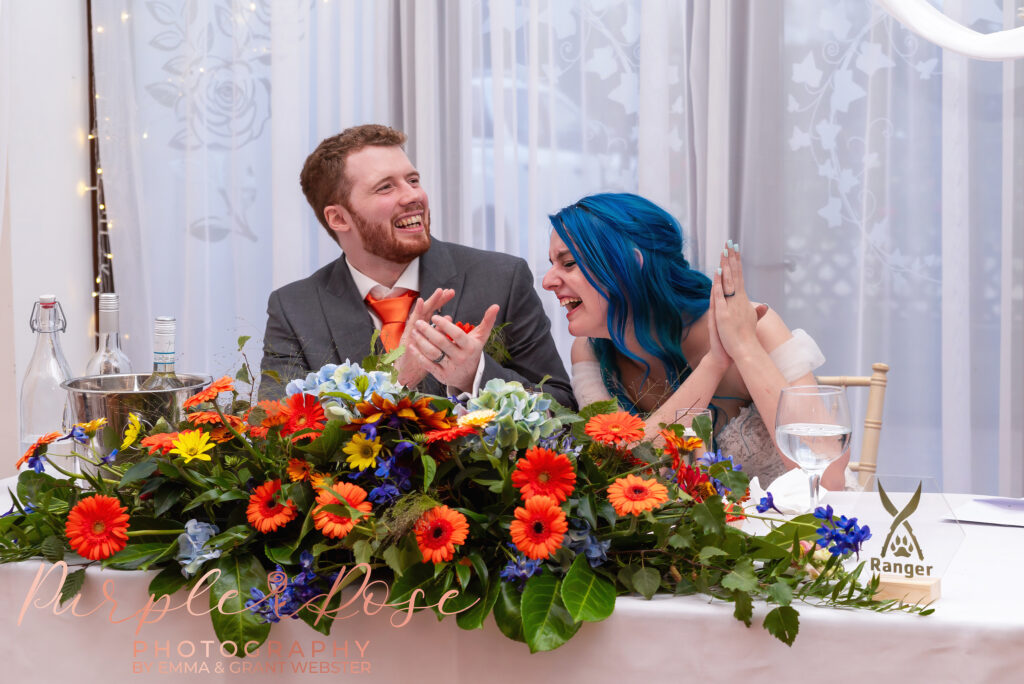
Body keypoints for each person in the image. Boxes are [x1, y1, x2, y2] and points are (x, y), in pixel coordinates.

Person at [541, 193, 846, 490]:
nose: (547, 281)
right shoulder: (589, 351)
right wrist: (713, 364)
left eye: (568, 264)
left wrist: (744, 347)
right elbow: (614, 476)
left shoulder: (755, 328)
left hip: (800, 532)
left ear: (632, 265)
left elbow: (828, 478)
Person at [259, 124, 574, 409]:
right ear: (339, 218)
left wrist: (474, 376)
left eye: (412, 180)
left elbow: (563, 409)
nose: (414, 196)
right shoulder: (294, 309)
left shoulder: (501, 279)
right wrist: (397, 380)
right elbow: (273, 434)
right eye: (386, 187)